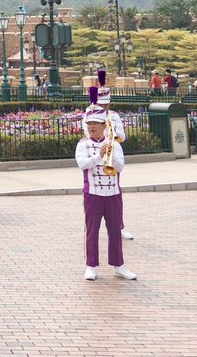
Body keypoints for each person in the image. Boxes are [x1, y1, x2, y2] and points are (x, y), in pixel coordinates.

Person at [76, 102, 136, 281]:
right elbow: (82, 164)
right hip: (93, 193)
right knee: (92, 230)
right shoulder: (83, 144)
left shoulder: (115, 144)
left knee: (115, 230)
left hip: (113, 193)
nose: (91, 127)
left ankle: (119, 265)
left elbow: (120, 166)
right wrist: (98, 156)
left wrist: (110, 154)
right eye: (89, 124)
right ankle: (91, 266)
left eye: (95, 123)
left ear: (104, 126)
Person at [85, 71, 133, 239]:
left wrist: (113, 133)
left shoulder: (114, 116)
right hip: (95, 156)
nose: (104, 107)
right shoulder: (89, 114)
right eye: (101, 104)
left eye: (106, 104)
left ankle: (120, 226)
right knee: (94, 197)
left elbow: (123, 137)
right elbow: (87, 133)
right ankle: (94, 229)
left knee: (116, 194)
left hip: (111, 155)